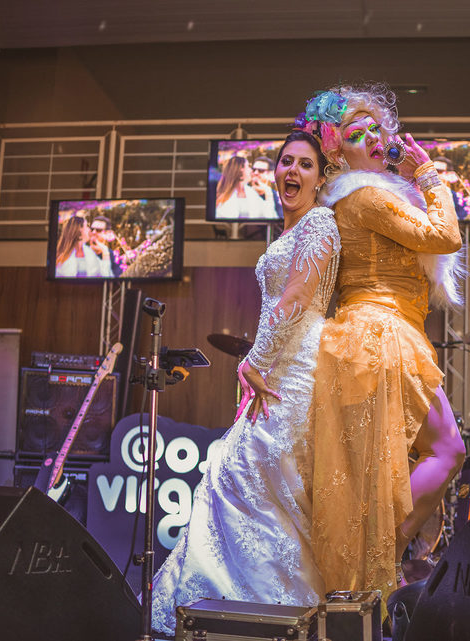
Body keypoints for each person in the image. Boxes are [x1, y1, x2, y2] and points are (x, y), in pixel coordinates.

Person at [148, 129, 339, 634]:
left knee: (251, 480)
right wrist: (260, 364)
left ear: (321, 179)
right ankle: (239, 613)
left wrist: (254, 361)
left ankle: (280, 615)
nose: (292, 171)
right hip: (277, 368)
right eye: (285, 162)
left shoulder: (320, 222)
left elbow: (297, 296)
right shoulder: (288, 230)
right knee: (247, 485)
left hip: (296, 374)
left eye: (305, 164)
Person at [303, 83, 467, 597]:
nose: (374, 138)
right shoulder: (367, 196)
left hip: (373, 337)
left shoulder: (365, 196)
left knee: (380, 473)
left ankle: (373, 564)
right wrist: (429, 175)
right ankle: (378, 557)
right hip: (381, 334)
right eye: (358, 134)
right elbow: (446, 236)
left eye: (377, 128)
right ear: (337, 152)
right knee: (447, 451)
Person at [214, 155, 279, 219]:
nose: (253, 172)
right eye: (249, 167)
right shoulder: (224, 196)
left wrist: (268, 192)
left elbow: (270, 216)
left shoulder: (251, 192)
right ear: (240, 171)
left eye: (261, 170)